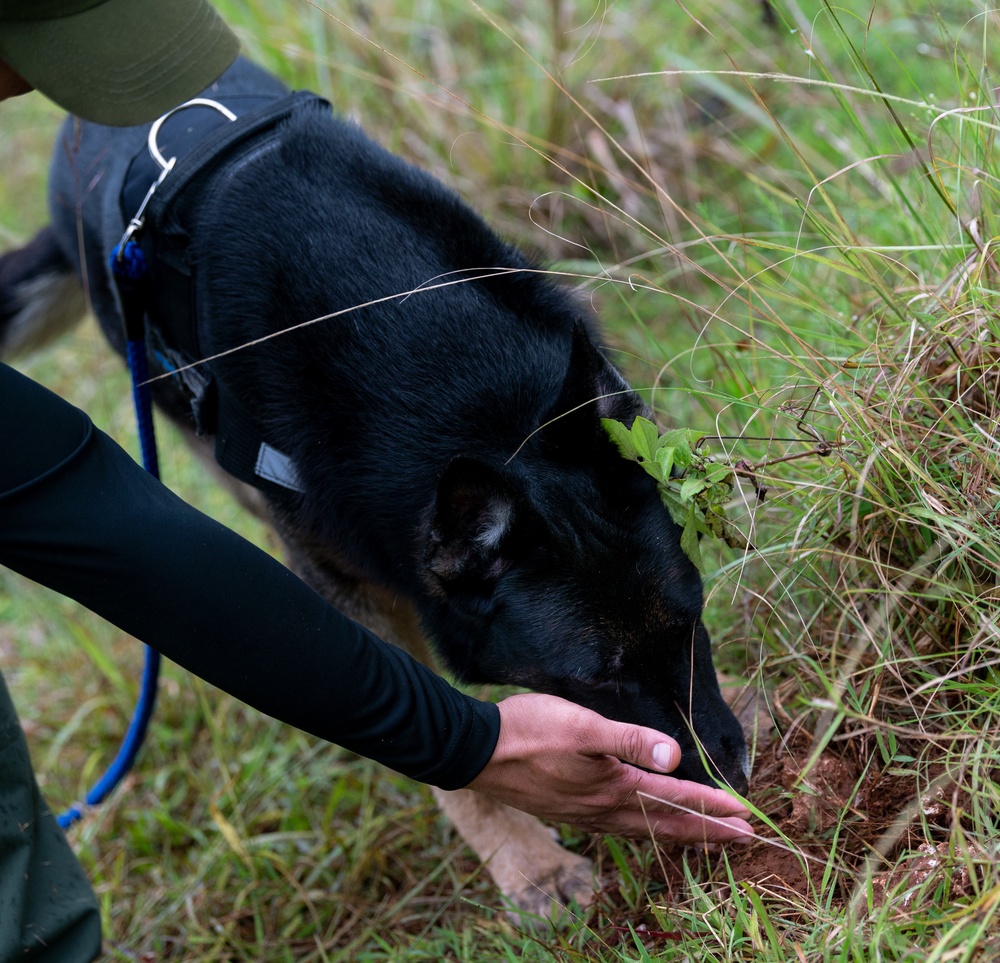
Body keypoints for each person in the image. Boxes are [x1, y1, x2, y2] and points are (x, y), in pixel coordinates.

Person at [0, 1, 753, 958]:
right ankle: (485, 823)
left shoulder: (570, 368)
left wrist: (672, 668)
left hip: (305, 200)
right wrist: (474, 763)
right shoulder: (297, 438)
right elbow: (143, 549)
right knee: (320, 546)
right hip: (165, 254)